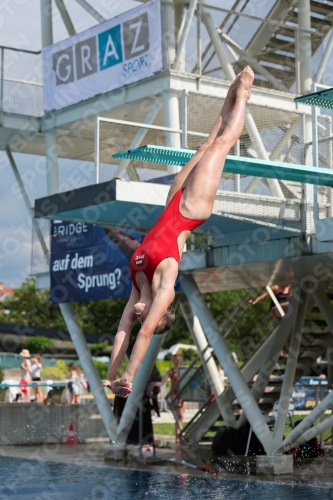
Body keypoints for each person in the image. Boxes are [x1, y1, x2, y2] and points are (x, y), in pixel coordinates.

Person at [103, 66, 255, 398]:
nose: (142, 320)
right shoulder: (164, 292)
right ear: (161, 315)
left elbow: (123, 334)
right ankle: (244, 94)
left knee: (204, 149)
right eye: (151, 322)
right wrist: (130, 375)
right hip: (189, 211)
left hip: (171, 204)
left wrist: (112, 375)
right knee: (221, 147)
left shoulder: (135, 287)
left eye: (142, 320)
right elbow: (142, 338)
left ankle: (231, 97)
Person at [152, 354, 186, 443]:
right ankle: (178, 436)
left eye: (177, 359)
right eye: (174, 359)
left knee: (181, 416)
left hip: (183, 394)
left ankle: (179, 435)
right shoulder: (170, 371)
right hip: (174, 394)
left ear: (180, 360)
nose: (176, 361)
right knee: (178, 415)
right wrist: (153, 383)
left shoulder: (184, 370)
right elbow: (162, 382)